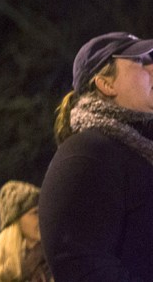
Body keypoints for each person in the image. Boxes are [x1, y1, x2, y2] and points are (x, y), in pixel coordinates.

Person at [39, 31, 153, 281]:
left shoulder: (139, 148)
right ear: (106, 84)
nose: (152, 67)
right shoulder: (86, 156)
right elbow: (81, 266)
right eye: (140, 61)